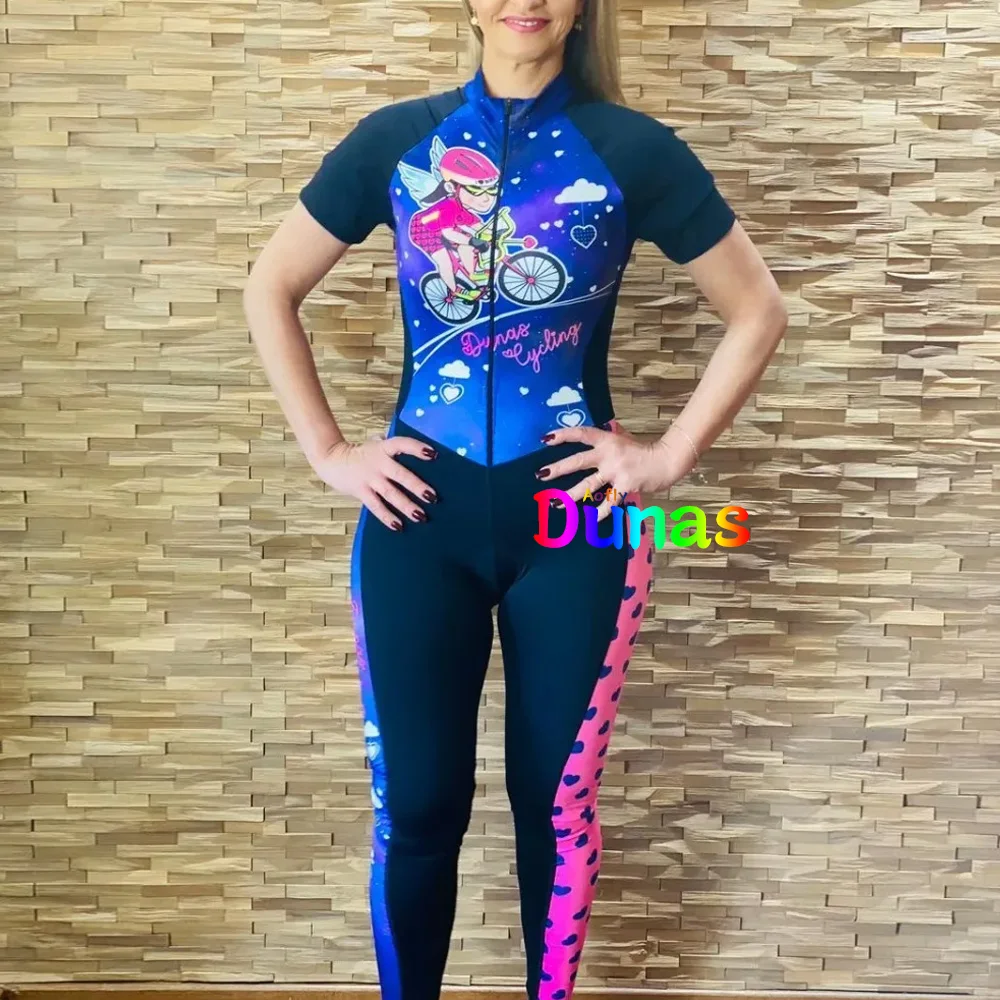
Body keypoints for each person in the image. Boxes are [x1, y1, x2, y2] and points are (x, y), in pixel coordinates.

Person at [242, 2, 788, 998]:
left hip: (578, 524)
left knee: (557, 804)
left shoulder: (630, 148)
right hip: (417, 517)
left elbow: (758, 310)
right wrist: (329, 451)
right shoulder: (397, 142)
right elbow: (268, 286)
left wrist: (666, 458)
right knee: (416, 806)